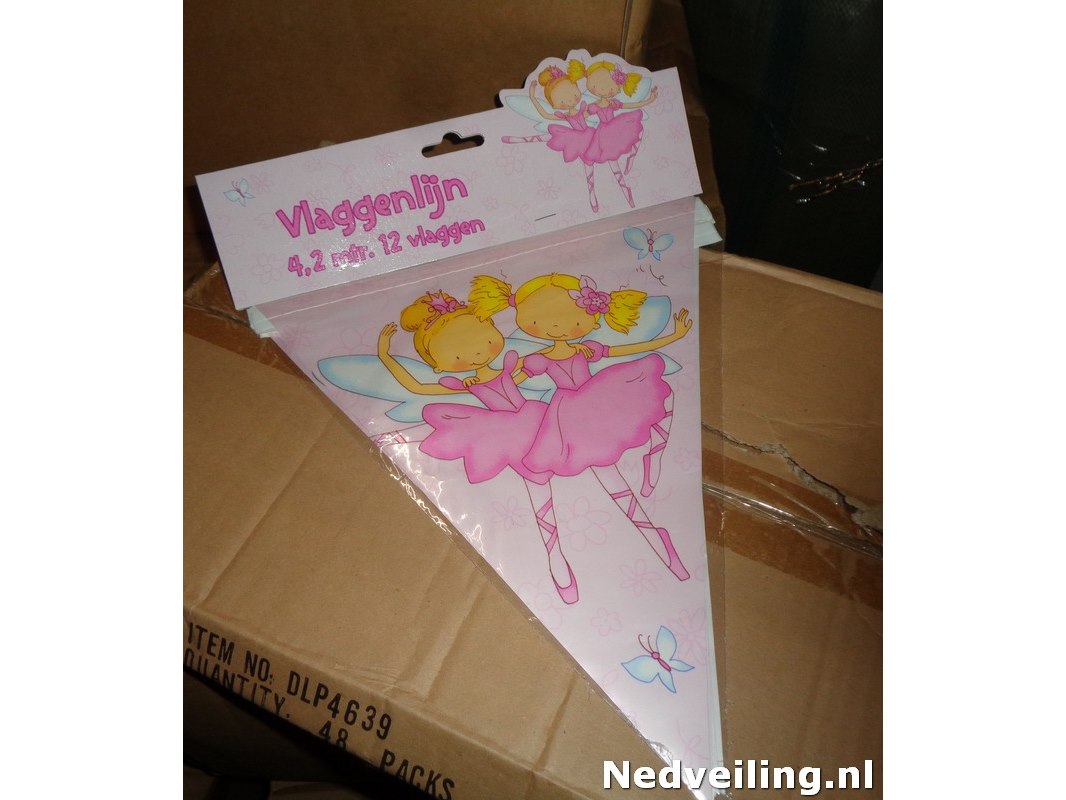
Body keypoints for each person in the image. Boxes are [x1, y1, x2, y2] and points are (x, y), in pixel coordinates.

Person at [469, 273, 691, 581]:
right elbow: (509, 384)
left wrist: (674, 336)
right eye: (541, 320)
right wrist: (485, 384)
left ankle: (654, 459)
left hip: (599, 400)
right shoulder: (538, 360)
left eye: (571, 319)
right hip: (569, 418)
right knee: (610, 477)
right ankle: (653, 535)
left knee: (656, 392)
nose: (557, 327)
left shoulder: (585, 348)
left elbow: (630, 349)